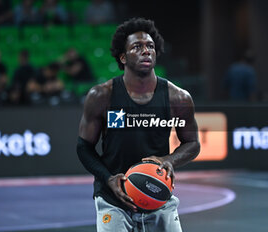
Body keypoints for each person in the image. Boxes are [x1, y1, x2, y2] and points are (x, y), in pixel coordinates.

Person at [77, 18, 200, 231]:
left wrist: (169, 160)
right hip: (113, 199)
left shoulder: (178, 98)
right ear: (123, 57)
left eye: (150, 46)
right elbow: (83, 147)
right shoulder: (102, 96)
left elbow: (192, 143)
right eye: (137, 47)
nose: (146, 51)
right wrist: (107, 179)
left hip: (158, 195)